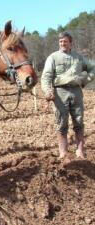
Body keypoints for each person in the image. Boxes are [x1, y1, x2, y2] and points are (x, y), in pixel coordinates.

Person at [41, 31, 95, 160]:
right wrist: (48, 91)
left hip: (76, 91)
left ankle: (80, 152)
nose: (62, 44)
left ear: (71, 43)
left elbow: (93, 69)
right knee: (61, 122)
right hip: (60, 93)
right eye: (60, 41)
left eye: (65, 41)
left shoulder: (79, 57)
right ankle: (63, 152)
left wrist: (85, 80)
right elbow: (46, 76)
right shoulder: (53, 57)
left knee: (79, 121)